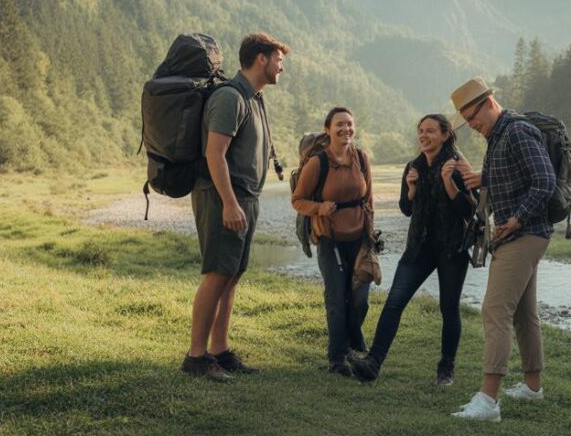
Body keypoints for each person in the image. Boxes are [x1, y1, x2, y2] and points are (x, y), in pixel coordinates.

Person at [182, 32, 290, 382]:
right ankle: (196, 357)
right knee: (217, 274)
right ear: (261, 58)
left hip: (245, 199)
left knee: (231, 275)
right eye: (278, 59)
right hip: (223, 198)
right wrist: (229, 202)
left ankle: (220, 350)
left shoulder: (253, 97)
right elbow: (215, 154)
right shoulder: (230, 97)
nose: (281, 66)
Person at [448, 77, 556, 422]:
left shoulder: (517, 132)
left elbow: (545, 180)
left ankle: (488, 401)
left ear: (489, 103)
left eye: (473, 118)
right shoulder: (498, 136)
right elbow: (518, 176)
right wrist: (483, 177)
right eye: (466, 122)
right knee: (524, 313)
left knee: (495, 310)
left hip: (523, 234)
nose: (473, 126)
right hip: (522, 234)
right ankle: (532, 388)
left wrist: (517, 219)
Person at [348, 114, 477, 385]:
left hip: (452, 248)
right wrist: (410, 188)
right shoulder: (413, 166)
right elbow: (406, 209)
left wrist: (449, 184)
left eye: (430, 130)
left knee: (449, 308)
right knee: (394, 303)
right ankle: (373, 363)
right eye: (420, 130)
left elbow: (469, 210)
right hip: (418, 248)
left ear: (445, 134)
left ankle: (446, 368)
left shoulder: (458, 165)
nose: (423, 135)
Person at [291, 107, 374, 376]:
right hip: (330, 241)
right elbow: (298, 200)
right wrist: (319, 208)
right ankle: (337, 358)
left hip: (360, 239)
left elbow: (368, 200)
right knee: (337, 299)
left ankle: (354, 343)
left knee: (360, 299)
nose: (345, 129)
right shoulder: (318, 163)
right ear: (328, 129)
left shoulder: (361, 157)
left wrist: (371, 235)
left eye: (349, 124)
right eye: (339, 124)